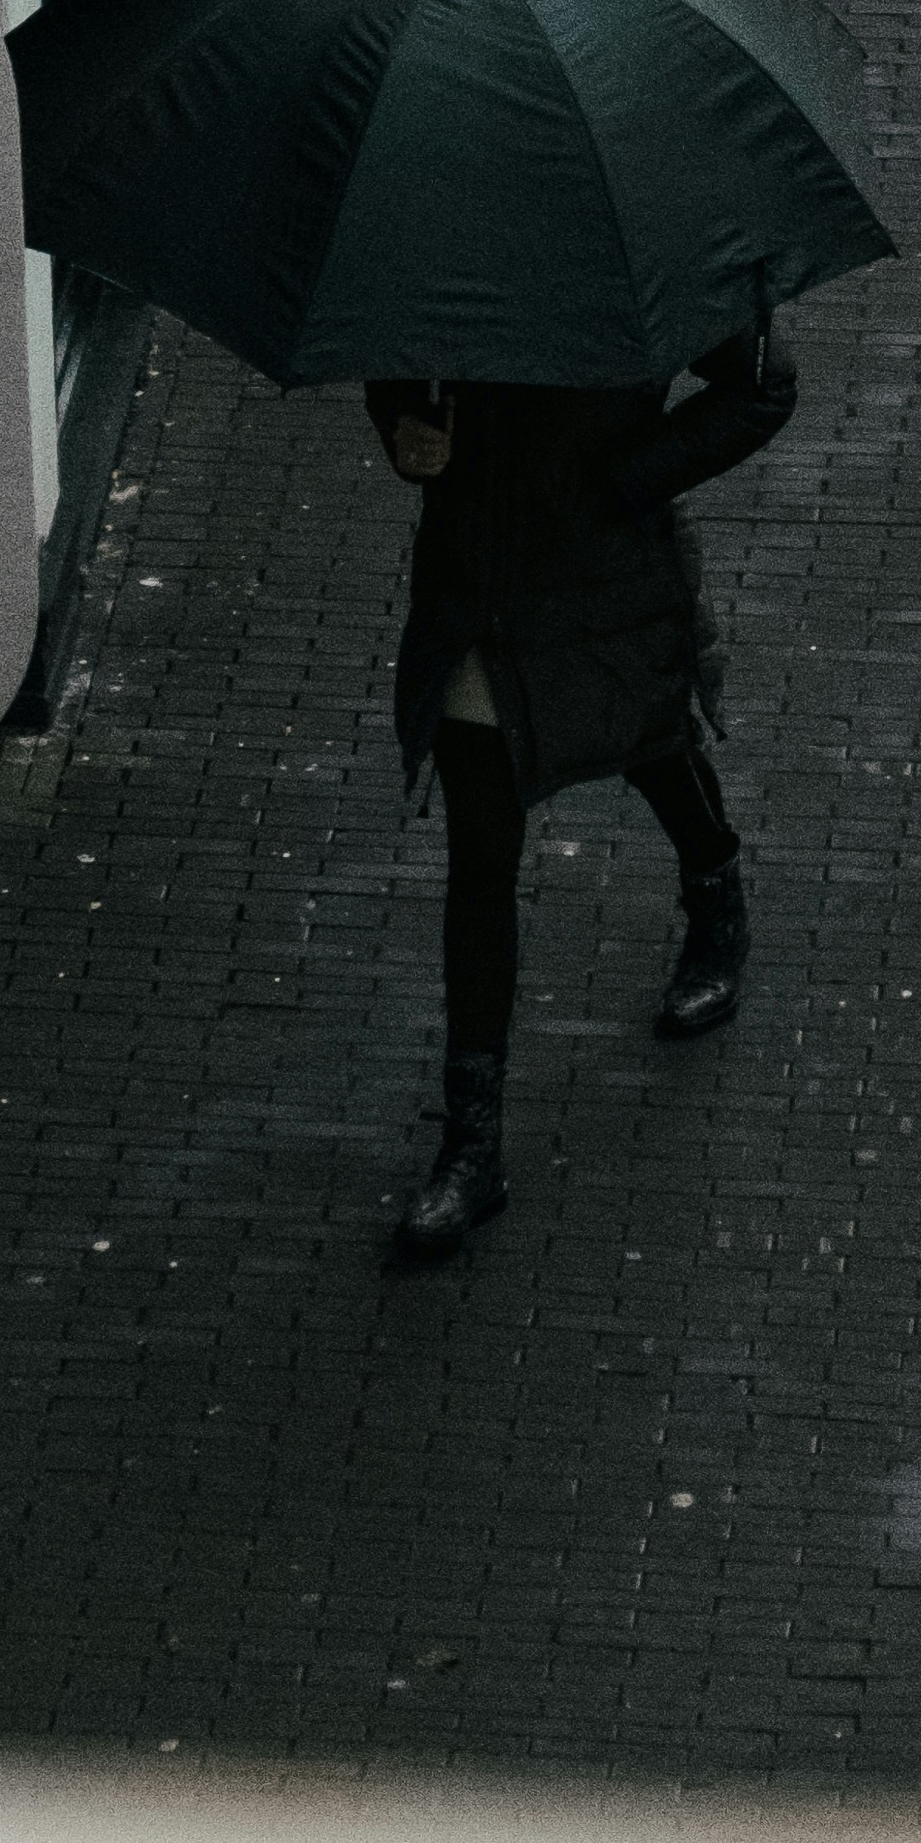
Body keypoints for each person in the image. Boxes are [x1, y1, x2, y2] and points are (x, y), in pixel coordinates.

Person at [365, 317, 800, 1262]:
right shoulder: (435, 253)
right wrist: (405, 428)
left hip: (600, 581)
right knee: (481, 860)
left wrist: (625, 480)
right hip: (477, 594)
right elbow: (392, 375)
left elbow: (761, 385)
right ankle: (471, 1148)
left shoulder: (629, 247)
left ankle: (715, 886)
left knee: (648, 742)